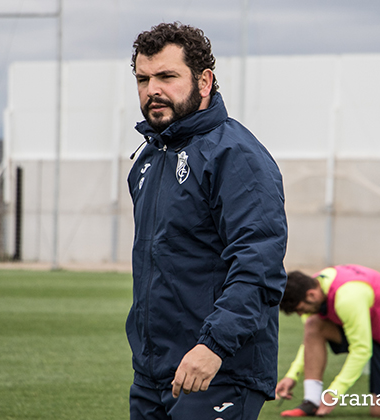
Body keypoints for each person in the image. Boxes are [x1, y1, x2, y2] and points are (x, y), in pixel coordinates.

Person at [125, 22, 288, 420]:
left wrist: (213, 346)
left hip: (219, 368)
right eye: (143, 79)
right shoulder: (147, 159)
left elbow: (258, 265)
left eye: (167, 76)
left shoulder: (236, 155)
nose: (152, 90)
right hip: (153, 373)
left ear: (204, 81)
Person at [276, 265, 380, 417]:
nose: (301, 314)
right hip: (367, 325)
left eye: (301, 310)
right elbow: (309, 341)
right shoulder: (314, 286)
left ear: (311, 295)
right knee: (313, 324)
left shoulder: (347, 297)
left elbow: (362, 350)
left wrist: (334, 392)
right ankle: (311, 401)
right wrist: (292, 375)